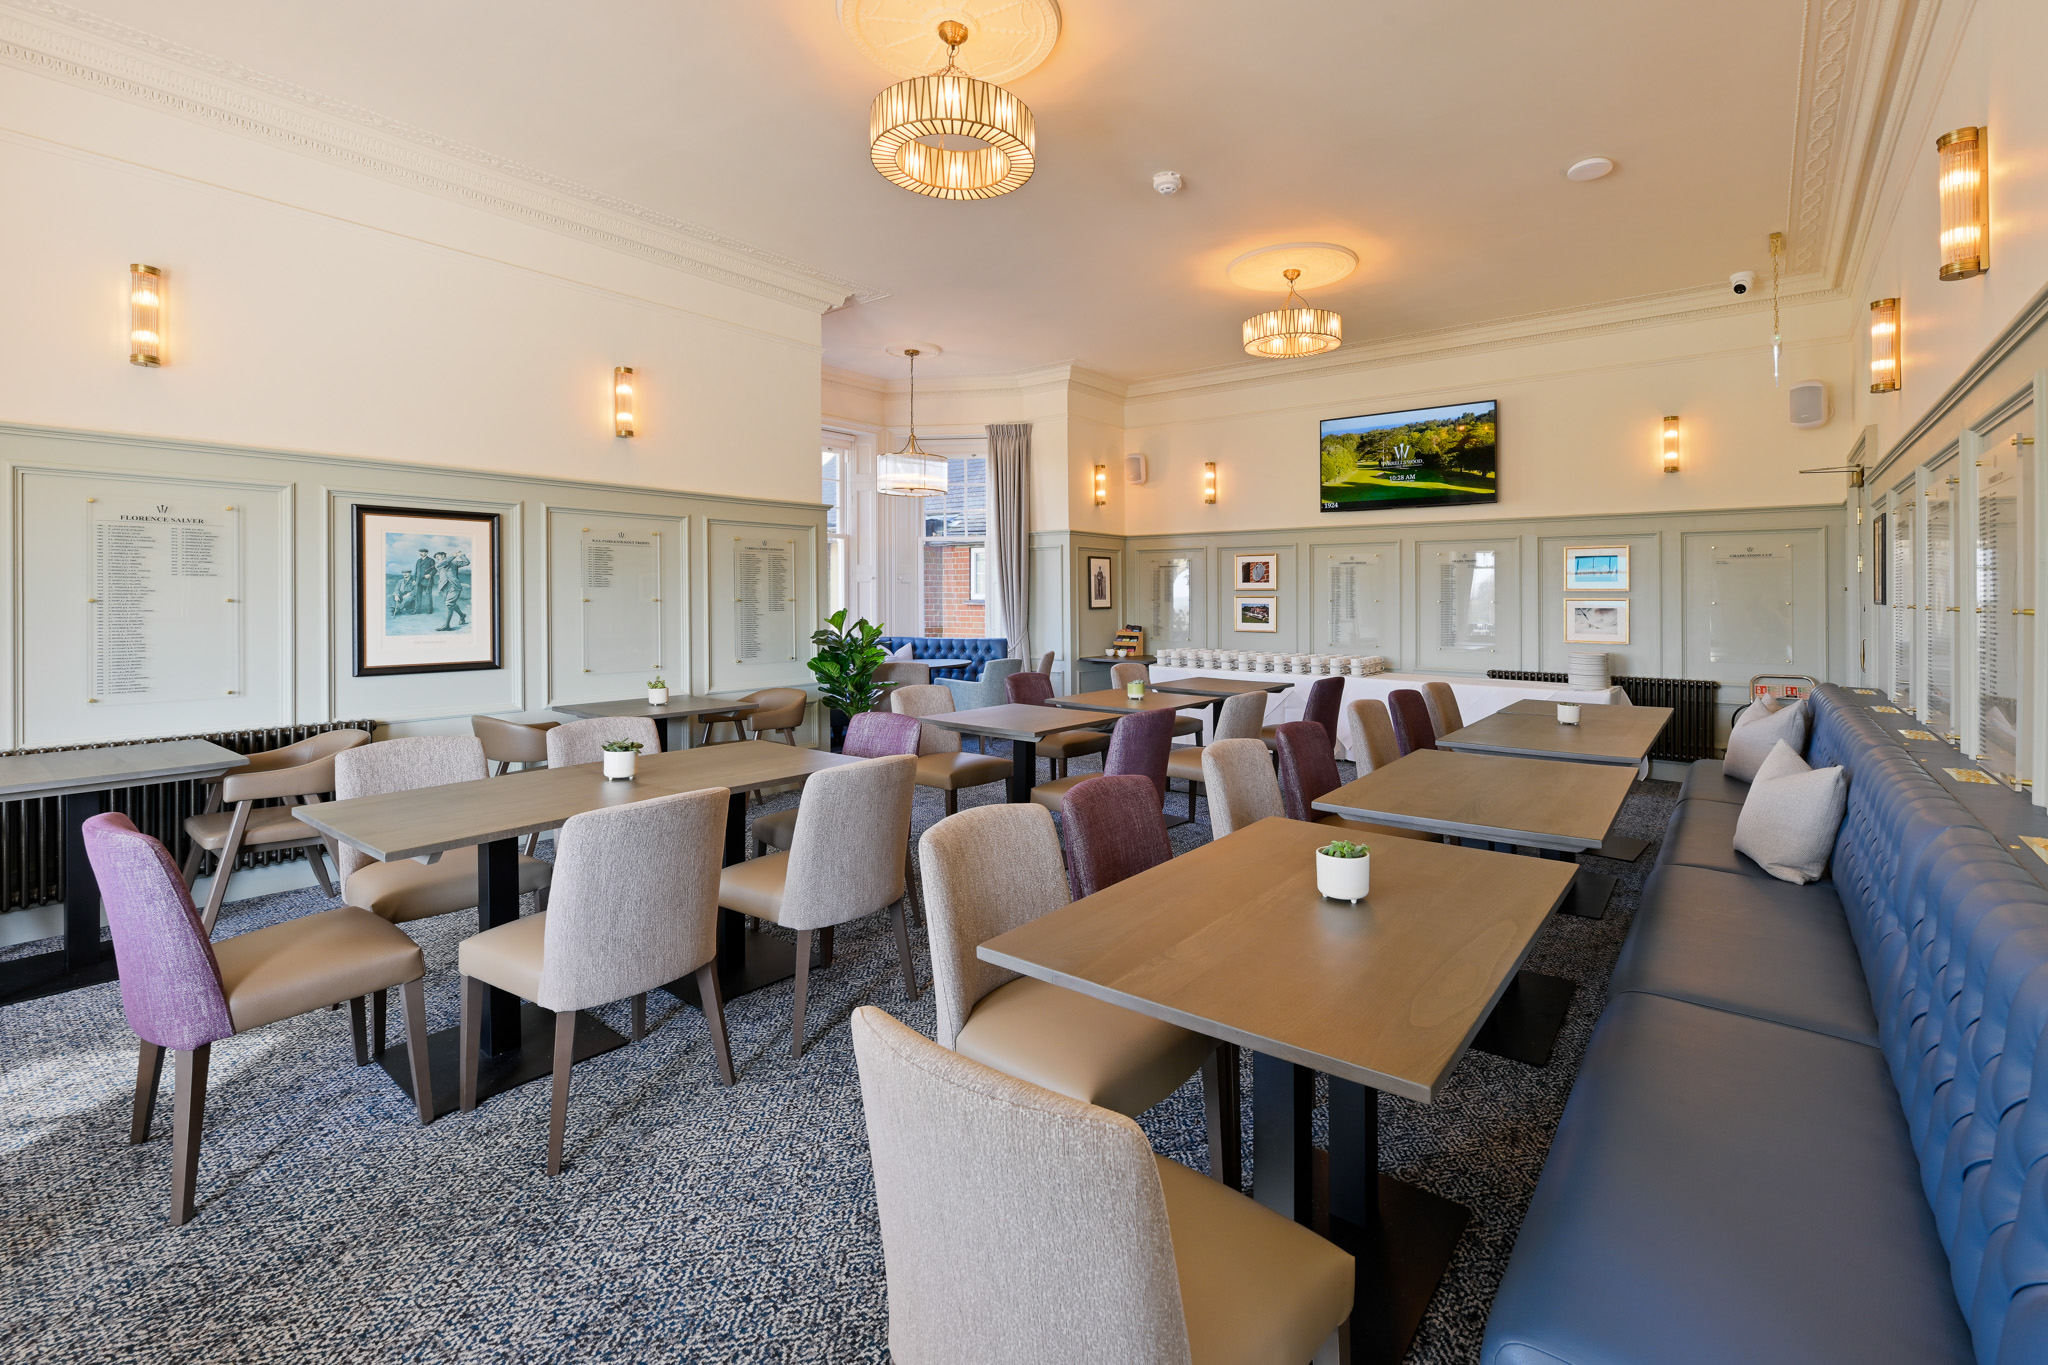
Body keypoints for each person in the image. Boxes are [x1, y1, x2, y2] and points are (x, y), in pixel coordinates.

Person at [438, 550, 470, 631]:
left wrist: (461, 555)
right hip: (444, 587)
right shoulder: (438, 564)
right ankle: (462, 615)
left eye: (438, 556)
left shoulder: (454, 563)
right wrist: (453, 556)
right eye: (436, 557)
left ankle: (446, 625)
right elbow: (445, 563)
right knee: (452, 604)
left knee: (449, 604)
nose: (437, 558)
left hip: (454, 586)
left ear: (444, 555)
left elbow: (466, 562)